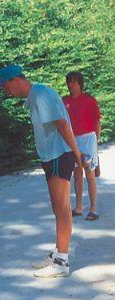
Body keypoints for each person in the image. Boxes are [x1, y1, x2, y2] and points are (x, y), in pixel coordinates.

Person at [0, 65, 82, 278]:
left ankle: (62, 261)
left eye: (6, 87)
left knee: (62, 208)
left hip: (58, 155)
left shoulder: (41, 94)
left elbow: (62, 125)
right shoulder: (35, 96)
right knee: (58, 207)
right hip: (51, 156)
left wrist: (77, 153)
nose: (7, 92)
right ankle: (57, 253)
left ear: (16, 79)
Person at [63, 71, 101, 221]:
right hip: (72, 140)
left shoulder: (90, 100)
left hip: (88, 138)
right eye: (68, 81)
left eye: (73, 81)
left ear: (80, 83)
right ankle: (78, 207)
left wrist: (95, 142)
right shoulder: (64, 101)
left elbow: (97, 121)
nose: (70, 84)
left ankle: (93, 209)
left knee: (90, 173)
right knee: (77, 174)